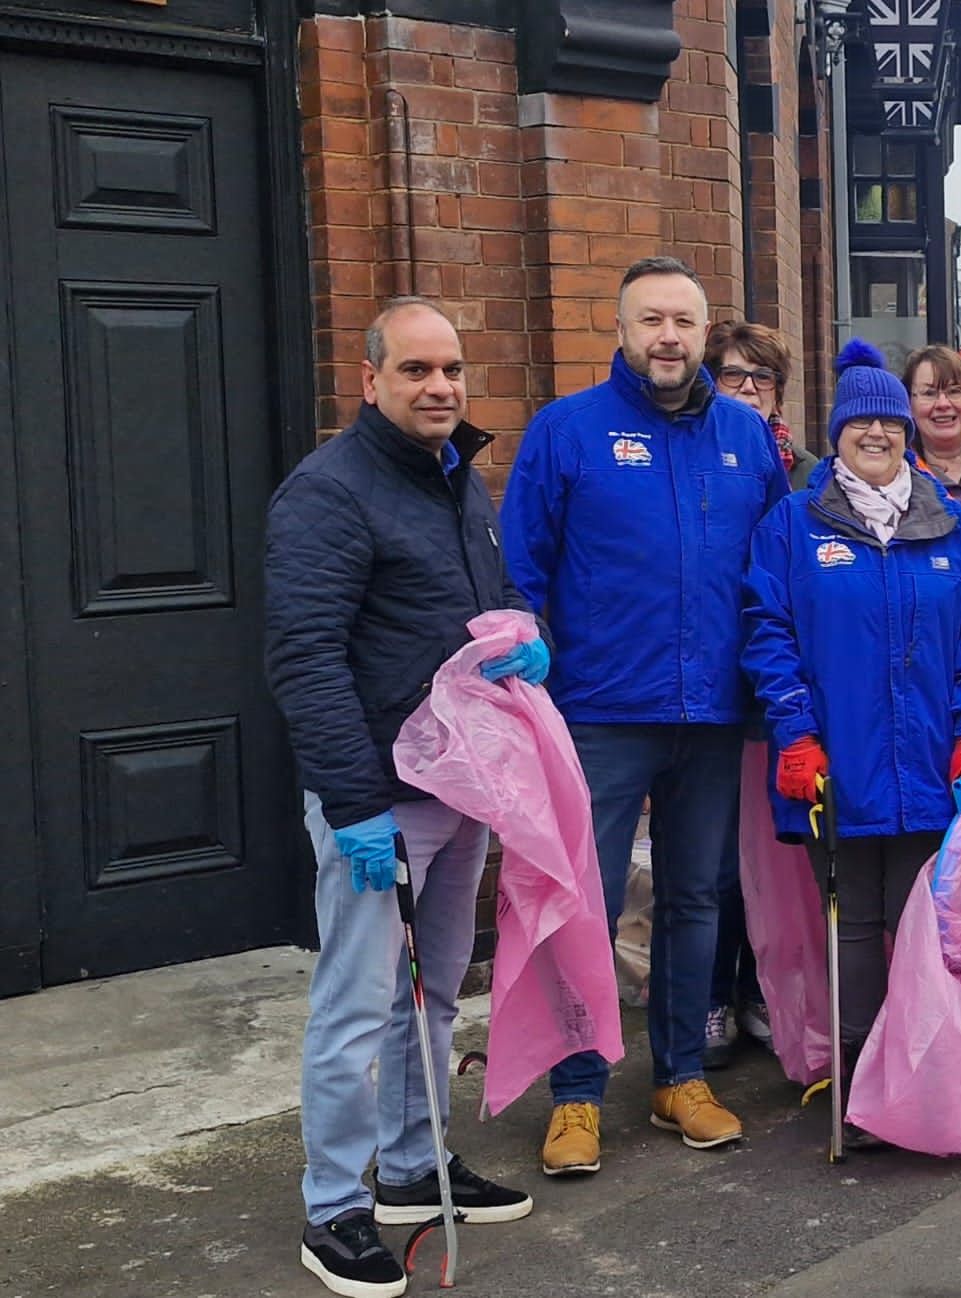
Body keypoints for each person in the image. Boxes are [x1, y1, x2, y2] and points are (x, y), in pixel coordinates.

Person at [266, 298, 536, 1298]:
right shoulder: (328, 494)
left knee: (429, 990)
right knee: (353, 1001)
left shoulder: (453, 474)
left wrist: (521, 631)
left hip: (455, 783)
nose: (439, 387)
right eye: (416, 369)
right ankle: (333, 1204)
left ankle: (413, 1169)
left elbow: (472, 598)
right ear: (370, 379)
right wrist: (352, 802)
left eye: (451, 369)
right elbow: (305, 656)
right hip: (381, 793)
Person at [501, 256, 790, 1174]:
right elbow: (520, 568)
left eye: (684, 321)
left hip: (711, 715)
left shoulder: (747, 438)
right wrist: (526, 671)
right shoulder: (567, 432)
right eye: (649, 321)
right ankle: (578, 1093)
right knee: (579, 904)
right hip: (598, 713)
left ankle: (677, 1077)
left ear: (706, 333)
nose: (668, 336)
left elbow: (776, 574)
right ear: (620, 331)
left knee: (695, 898)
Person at [742, 339, 961, 1148]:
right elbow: (768, 631)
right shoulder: (793, 523)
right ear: (840, 432)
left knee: (924, 925)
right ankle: (859, 1078)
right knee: (853, 926)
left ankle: (924, 1077)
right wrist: (795, 734)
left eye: (891, 422)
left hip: (929, 762)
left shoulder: (957, 529)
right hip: (840, 765)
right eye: (862, 424)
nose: (878, 435)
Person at [702, 318, 810, 1063]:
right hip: (713, 682)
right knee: (712, 863)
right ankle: (711, 995)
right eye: (732, 376)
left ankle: (760, 990)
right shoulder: (693, 452)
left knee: (776, 859)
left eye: (760, 379)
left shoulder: (806, 471)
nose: (746, 389)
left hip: (781, 690)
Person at [707, 318, 820, 492]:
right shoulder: (687, 458)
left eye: (763, 376)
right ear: (712, 384)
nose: (749, 387)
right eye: (733, 374)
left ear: (777, 392)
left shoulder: (809, 473)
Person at [900, 343, 961, 502]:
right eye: (929, 393)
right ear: (909, 405)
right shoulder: (896, 479)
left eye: (954, 391)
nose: (943, 404)